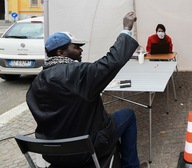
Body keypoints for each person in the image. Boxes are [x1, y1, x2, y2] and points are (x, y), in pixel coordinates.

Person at [26, 12, 150, 168]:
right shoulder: (78, 73)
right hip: (88, 146)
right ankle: (131, 166)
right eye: (76, 46)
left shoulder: (36, 84)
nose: (80, 50)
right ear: (60, 53)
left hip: (55, 153)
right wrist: (126, 28)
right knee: (129, 115)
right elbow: (112, 61)